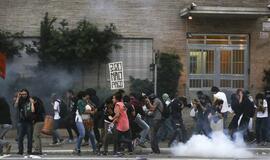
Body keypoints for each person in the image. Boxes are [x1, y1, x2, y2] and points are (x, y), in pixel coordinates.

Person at [14, 89, 35, 155]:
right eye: (22, 94)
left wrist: (32, 103)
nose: (24, 95)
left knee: (30, 138)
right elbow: (15, 106)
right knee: (20, 137)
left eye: (25, 94)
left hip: (29, 122)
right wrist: (18, 97)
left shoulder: (30, 100)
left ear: (27, 94)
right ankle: (20, 151)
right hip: (21, 121)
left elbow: (33, 110)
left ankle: (29, 151)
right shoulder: (19, 100)